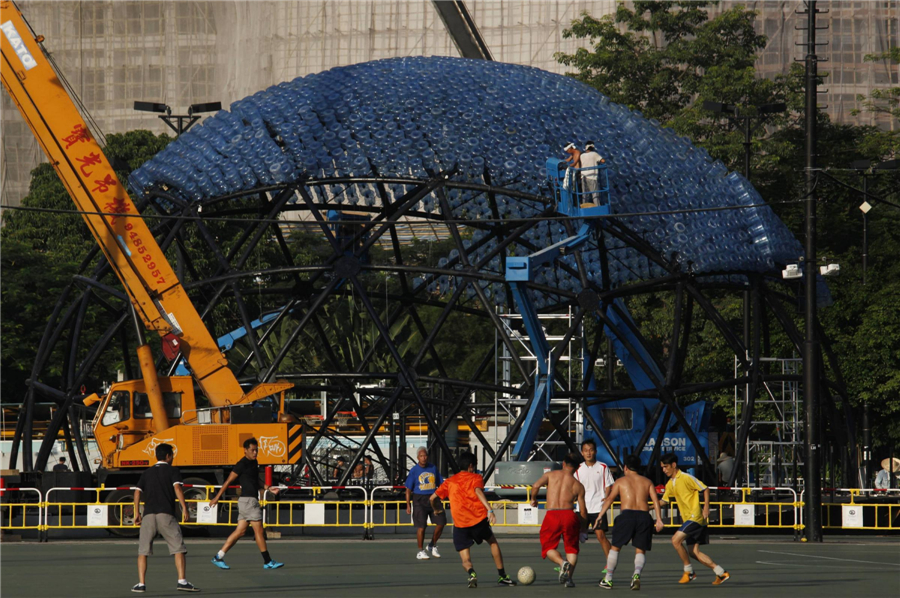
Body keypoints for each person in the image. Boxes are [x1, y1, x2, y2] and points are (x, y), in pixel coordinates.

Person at [429, 452, 516, 588]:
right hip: (478, 521)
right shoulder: (476, 477)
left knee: (465, 559)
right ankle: (502, 576)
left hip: (460, 525)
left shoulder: (450, 482)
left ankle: (471, 573)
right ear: (470, 466)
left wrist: (436, 509)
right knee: (492, 542)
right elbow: (478, 491)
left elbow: (432, 498)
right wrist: (490, 510)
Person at [132, 443, 199, 593]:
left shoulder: (147, 472)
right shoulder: (173, 470)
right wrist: (184, 507)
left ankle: (141, 584)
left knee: (143, 551)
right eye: (172, 455)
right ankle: (182, 581)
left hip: (148, 515)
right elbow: (177, 488)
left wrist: (137, 512)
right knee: (178, 548)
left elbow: (137, 492)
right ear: (168, 456)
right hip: (166, 514)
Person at [209, 438, 283, 570]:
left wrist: (268, 488)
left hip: (247, 502)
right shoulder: (241, 464)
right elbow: (228, 481)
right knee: (259, 531)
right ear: (245, 450)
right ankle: (268, 561)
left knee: (240, 532)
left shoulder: (254, 462)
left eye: (256, 450)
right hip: (249, 502)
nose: (255, 453)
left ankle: (218, 557)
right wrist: (217, 498)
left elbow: (256, 480)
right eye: (252, 450)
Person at [596, 454, 664, 591]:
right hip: (644, 516)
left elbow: (609, 499)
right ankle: (636, 574)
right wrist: (659, 519)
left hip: (627, 516)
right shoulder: (647, 482)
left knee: (615, 547)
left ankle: (608, 578)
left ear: (625, 467)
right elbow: (655, 501)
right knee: (640, 549)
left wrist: (600, 515)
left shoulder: (620, 481)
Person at [659, 453, 730, 585]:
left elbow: (705, 488)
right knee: (693, 552)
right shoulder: (670, 484)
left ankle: (689, 571)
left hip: (695, 517)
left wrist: (706, 507)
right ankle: (721, 573)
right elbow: (663, 501)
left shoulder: (686, 477)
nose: (664, 470)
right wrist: (648, 507)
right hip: (689, 519)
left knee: (675, 540)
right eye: (662, 467)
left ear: (673, 465)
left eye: (665, 467)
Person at [530, 453, 587, 588]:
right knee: (572, 549)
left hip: (552, 514)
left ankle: (562, 563)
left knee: (548, 547)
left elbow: (536, 485)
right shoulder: (578, 485)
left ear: (563, 463)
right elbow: (583, 511)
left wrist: (533, 499)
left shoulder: (551, 475)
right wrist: (583, 529)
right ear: (578, 467)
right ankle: (569, 579)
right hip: (569, 515)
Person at [574, 439, 615, 558]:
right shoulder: (578, 468)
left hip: (598, 508)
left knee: (600, 536)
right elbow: (574, 486)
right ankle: (567, 563)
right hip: (582, 508)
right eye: (586, 450)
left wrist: (606, 497)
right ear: (582, 453)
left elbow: (608, 485)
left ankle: (611, 562)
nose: (588, 453)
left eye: (591, 450)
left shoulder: (603, 467)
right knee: (574, 537)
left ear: (595, 451)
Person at [405, 446, 446, 560]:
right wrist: (408, 505)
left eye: (425, 455)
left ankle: (432, 544)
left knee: (441, 522)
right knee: (421, 526)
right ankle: (420, 550)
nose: (424, 458)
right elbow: (408, 489)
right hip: (419, 499)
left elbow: (441, 484)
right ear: (418, 457)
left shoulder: (433, 468)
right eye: (421, 456)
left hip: (433, 498)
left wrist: (441, 495)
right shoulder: (414, 470)